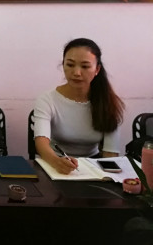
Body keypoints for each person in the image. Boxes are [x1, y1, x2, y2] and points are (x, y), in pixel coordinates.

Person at [33, 38, 124, 174]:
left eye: (85, 66)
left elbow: (110, 153)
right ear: (63, 65)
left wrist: (106, 176)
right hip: (55, 162)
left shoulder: (108, 102)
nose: (76, 73)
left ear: (97, 69)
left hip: (92, 166)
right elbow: (41, 142)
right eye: (70, 65)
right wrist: (57, 162)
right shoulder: (47, 100)